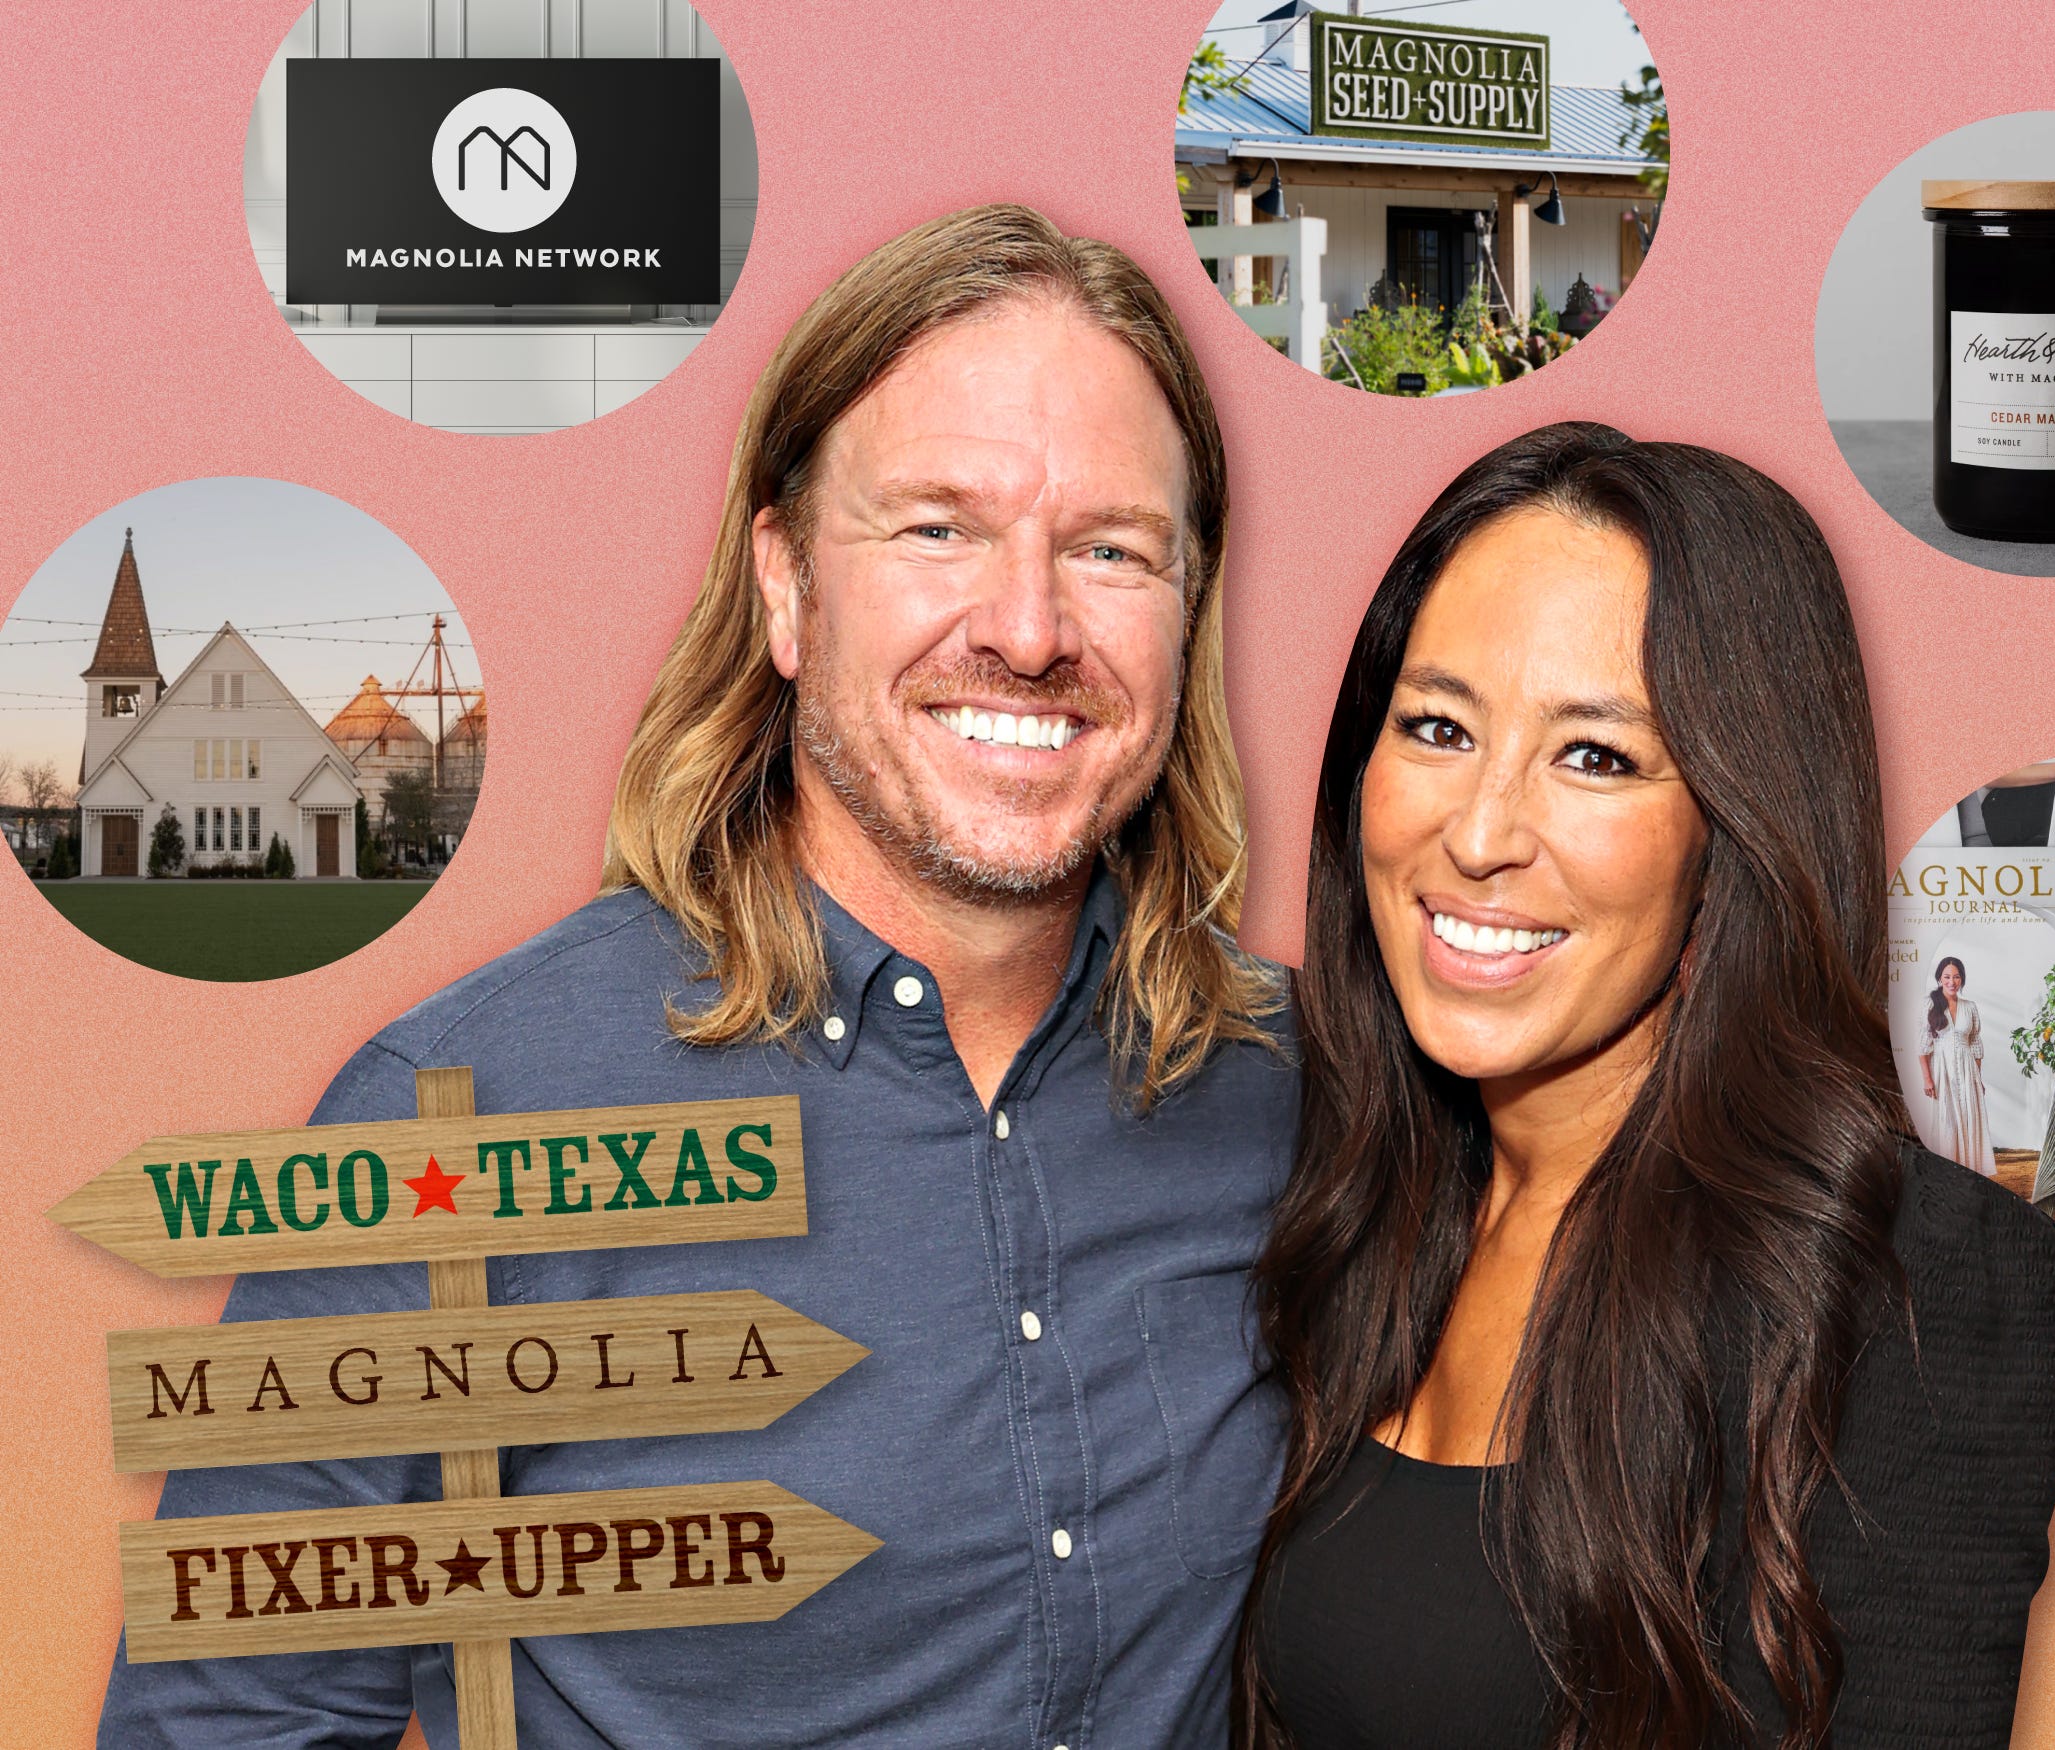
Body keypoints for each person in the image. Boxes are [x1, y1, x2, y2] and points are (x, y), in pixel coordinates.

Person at [100, 205, 1294, 1748]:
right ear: (787, 588)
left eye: (1112, 550)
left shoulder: (1294, 1098)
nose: (1027, 627)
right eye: (936, 528)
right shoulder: (455, 1126)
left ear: (1189, 607)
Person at [1238, 423, 2055, 1750]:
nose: (1476, 832)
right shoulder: (1340, 1193)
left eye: (1594, 755)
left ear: (1731, 833)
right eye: (1436, 726)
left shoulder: (1912, 1285)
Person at [1918, 955, 1994, 1175]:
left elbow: (1976, 1045)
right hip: (1942, 1070)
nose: (1952, 981)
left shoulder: (1970, 1007)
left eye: (1957, 976)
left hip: (1967, 1069)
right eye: (1947, 977)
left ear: (1962, 979)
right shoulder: (1930, 1004)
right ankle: (1947, 1170)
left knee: (1969, 1116)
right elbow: (1923, 1046)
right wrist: (1927, 1079)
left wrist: (1978, 1079)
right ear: (1940, 979)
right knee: (1947, 1119)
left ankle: (1970, 1169)